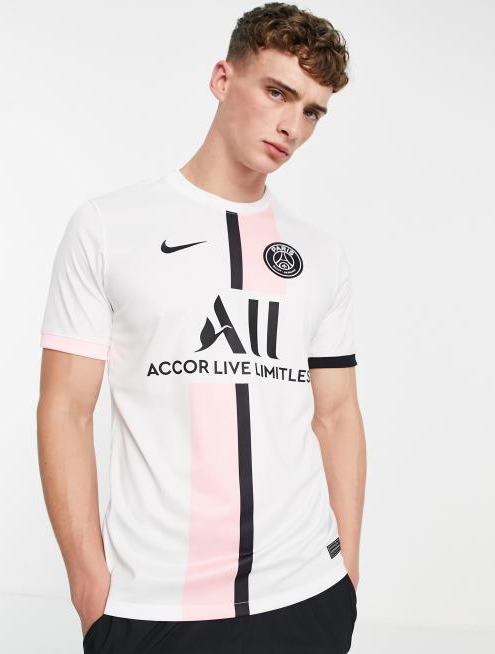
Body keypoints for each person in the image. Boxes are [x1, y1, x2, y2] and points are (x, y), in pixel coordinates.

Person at [36, 3, 366, 652]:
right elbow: (65, 409)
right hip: (152, 604)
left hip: (307, 593)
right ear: (222, 78)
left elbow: (337, 415)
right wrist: (88, 585)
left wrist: (346, 572)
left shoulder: (320, 253)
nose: (292, 125)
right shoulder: (108, 226)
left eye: (312, 111)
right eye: (277, 92)